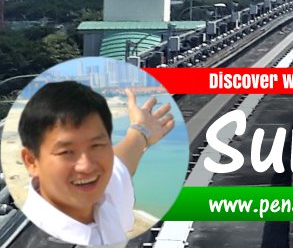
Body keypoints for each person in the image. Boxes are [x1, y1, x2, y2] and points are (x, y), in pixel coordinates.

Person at [18, 81, 175, 246]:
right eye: (66, 152)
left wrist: (141, 131)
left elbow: (120, 163)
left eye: (96, 146)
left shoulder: (102, 195)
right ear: (31, 161)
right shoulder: (33, 239)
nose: (86, 166)